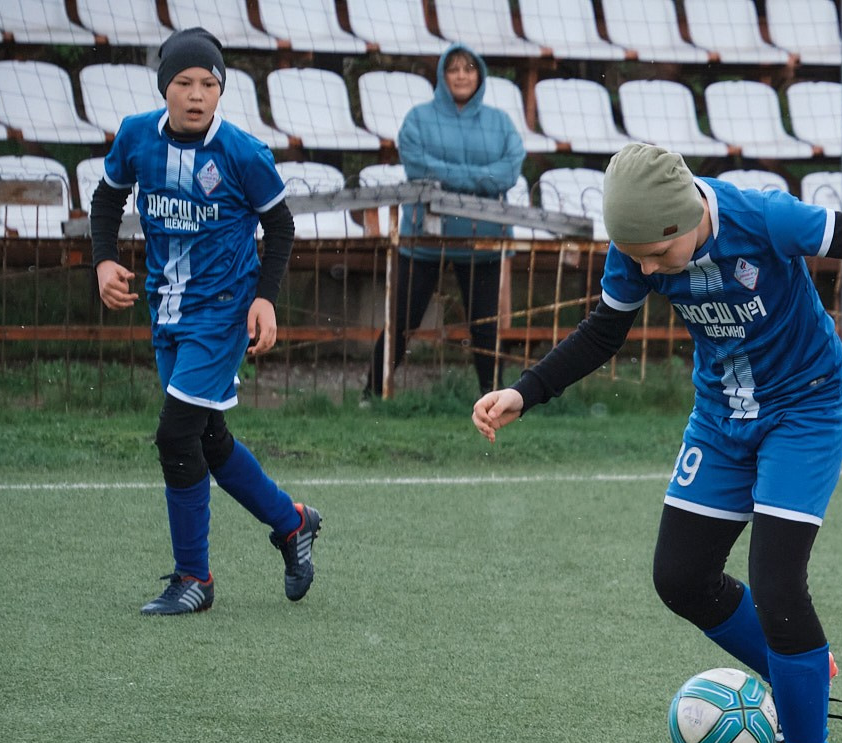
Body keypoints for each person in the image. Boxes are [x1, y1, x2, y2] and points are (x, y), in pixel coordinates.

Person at [471, 144, 842, 743]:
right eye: (633, 257)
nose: (645, 269)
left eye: (657, 256)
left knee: (780, 583)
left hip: (804, 409)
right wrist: (526, 392)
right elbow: (605, 330)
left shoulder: (764, 219)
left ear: (687, 216)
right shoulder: (637, 247)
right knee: (680, 576)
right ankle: (799, 669)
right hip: (722, 417)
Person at [90, 27, 320, 616]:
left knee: (174, 437)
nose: (196, 94)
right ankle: (291, 523)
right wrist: (104, 259)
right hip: (166, 307)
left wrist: (264, 299)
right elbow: (107, 198)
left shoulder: (242, 153)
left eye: (209, 84)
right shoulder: (137, 137)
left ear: (221, 92)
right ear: (164, 87)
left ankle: (195, 578)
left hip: (221, 316)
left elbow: (283, 228)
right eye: (184, 82)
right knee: (208, 439)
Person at [365, 45, 524, 397]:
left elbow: (509, 171)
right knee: (402, 320)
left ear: (479, 75)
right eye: (454, 69)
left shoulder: (500, 122)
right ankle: (373, 394)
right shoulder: (418, 118)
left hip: (483, 238)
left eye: (469, 68)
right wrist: (479, 178)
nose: (462, 75)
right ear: (442, 75)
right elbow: (417, 167)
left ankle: (494, 398)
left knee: (485, 326)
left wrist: (448, 179)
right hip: (424, 237)